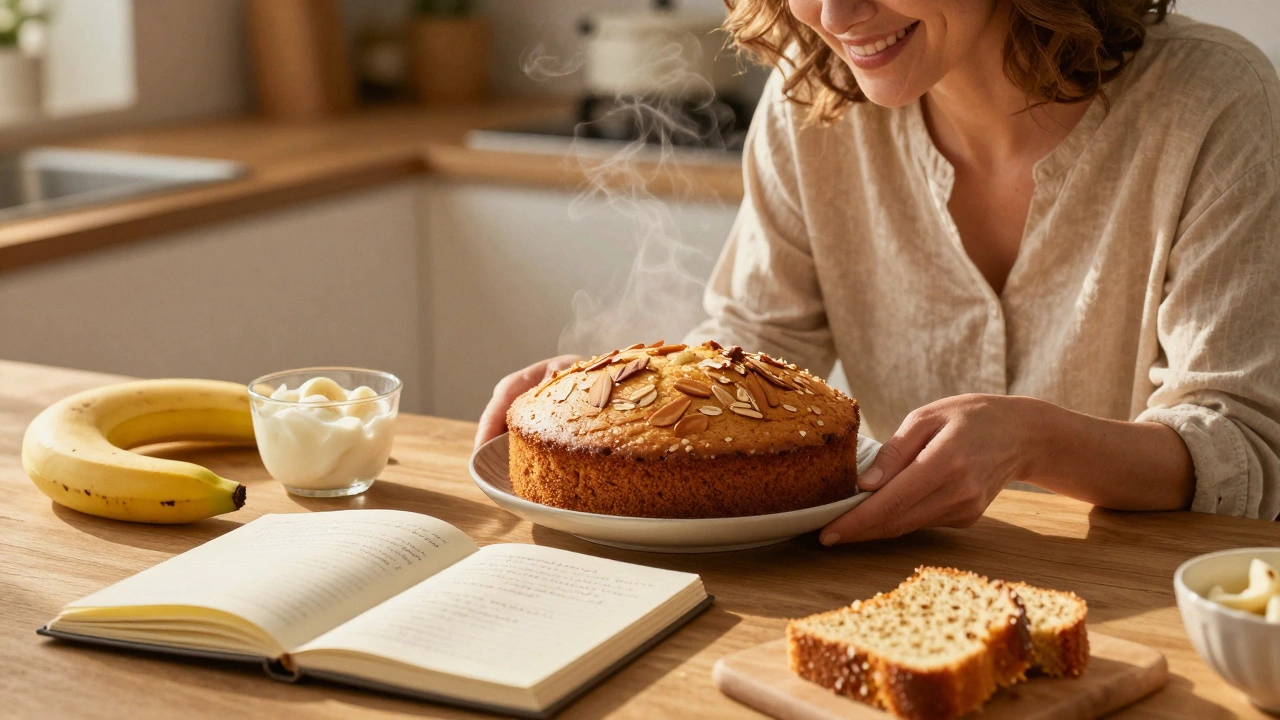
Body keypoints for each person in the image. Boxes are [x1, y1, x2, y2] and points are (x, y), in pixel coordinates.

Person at [477, 0, 1280, 541]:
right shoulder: (808, 105)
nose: (832, 16)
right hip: (890, 586)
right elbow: (753, 342)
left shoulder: (1212, 103)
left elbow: (1240, 446)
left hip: (1152, 605)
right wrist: (641, 394)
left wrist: (1033, 440)